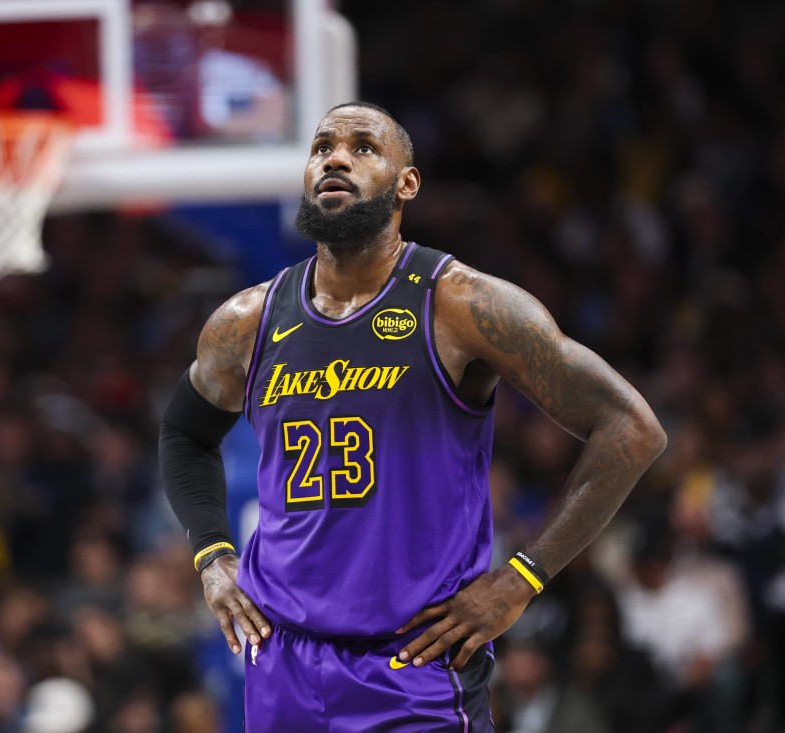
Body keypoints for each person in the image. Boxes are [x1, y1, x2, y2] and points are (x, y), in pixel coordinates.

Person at [159, 102, 667, 731]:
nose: (336, 157)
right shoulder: (246, 321)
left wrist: (521, 580)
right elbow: (184, 433)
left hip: (412, 664)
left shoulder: (460, 305)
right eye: (322, 146)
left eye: (363, 147)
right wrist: (212, 556)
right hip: (282, 659)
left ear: (408, 184)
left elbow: (632, 427)